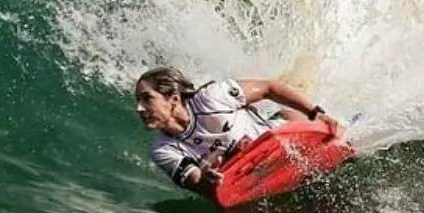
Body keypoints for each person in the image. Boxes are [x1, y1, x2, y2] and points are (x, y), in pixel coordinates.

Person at [134, 66, 343, 194]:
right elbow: (195, 180)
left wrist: (315, 113)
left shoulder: (211, 98)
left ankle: (323, 122)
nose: (139, 108)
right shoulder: (162, 150)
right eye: (138, 101)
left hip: (279, 138)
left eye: (147, 99)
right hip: (250, 175)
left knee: (286, 119)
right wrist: (206, 180)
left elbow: (269, 88)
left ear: (174, 98)